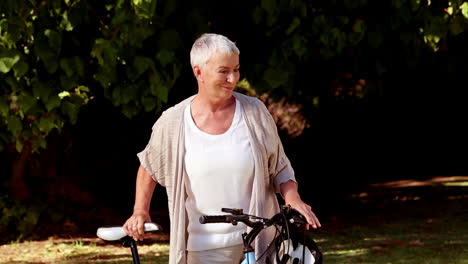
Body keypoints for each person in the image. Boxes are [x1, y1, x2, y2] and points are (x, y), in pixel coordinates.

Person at [123, 33, 321, 264]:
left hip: (260, 243)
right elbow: (149, 167)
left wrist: (293, 198)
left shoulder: (254, 112)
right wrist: (140, 211)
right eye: (223, 71)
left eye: (236, 69)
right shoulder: (174, 122)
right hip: (202, 248)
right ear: (198, 72)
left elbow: (279, 167)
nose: (232, 78)